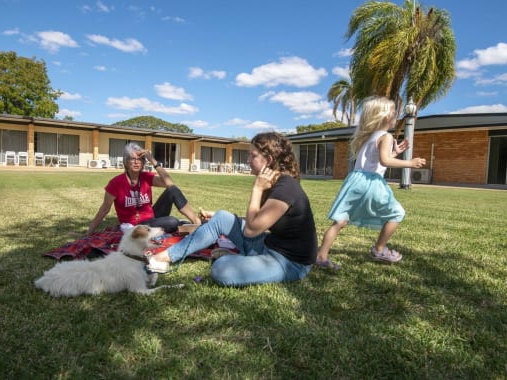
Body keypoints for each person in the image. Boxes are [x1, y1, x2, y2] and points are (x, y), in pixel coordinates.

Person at [146, 132, 318, 287]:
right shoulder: (276, 183)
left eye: (253, 156)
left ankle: (239, 258)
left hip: (289, 263)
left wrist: (257, 189)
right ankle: (164, 257)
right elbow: (260, 221)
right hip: (267, 245)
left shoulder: (286, 188)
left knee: (221, 269)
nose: (248, 160)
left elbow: (251, 231)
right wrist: (221, 218)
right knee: (221, 217)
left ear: (269, 161)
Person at [315, 96, 426, 268]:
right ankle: (379, 249)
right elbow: (385, 162)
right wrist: (409, 163)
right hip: (371, 183)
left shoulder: (370, 137)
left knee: (340, 221)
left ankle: (321, 257)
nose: (396, 116)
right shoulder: (386, 137)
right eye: (394, 113)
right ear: (385, 117)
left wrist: (394, 152)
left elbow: (376, 160)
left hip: (355, 180)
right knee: (397, 213)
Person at [86, 142, 201, 235]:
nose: (136, 162)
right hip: (134, 227)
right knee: (172, 221)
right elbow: (103, 210)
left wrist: (153, 161)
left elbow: (169, 183)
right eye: (132, 159)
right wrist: (88, 233)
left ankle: (196, 222)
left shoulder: (146, 177)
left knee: (172, 190)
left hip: (152, 218)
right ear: (126, 161)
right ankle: (176, 226)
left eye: (140, 159)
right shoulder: (115, 183)